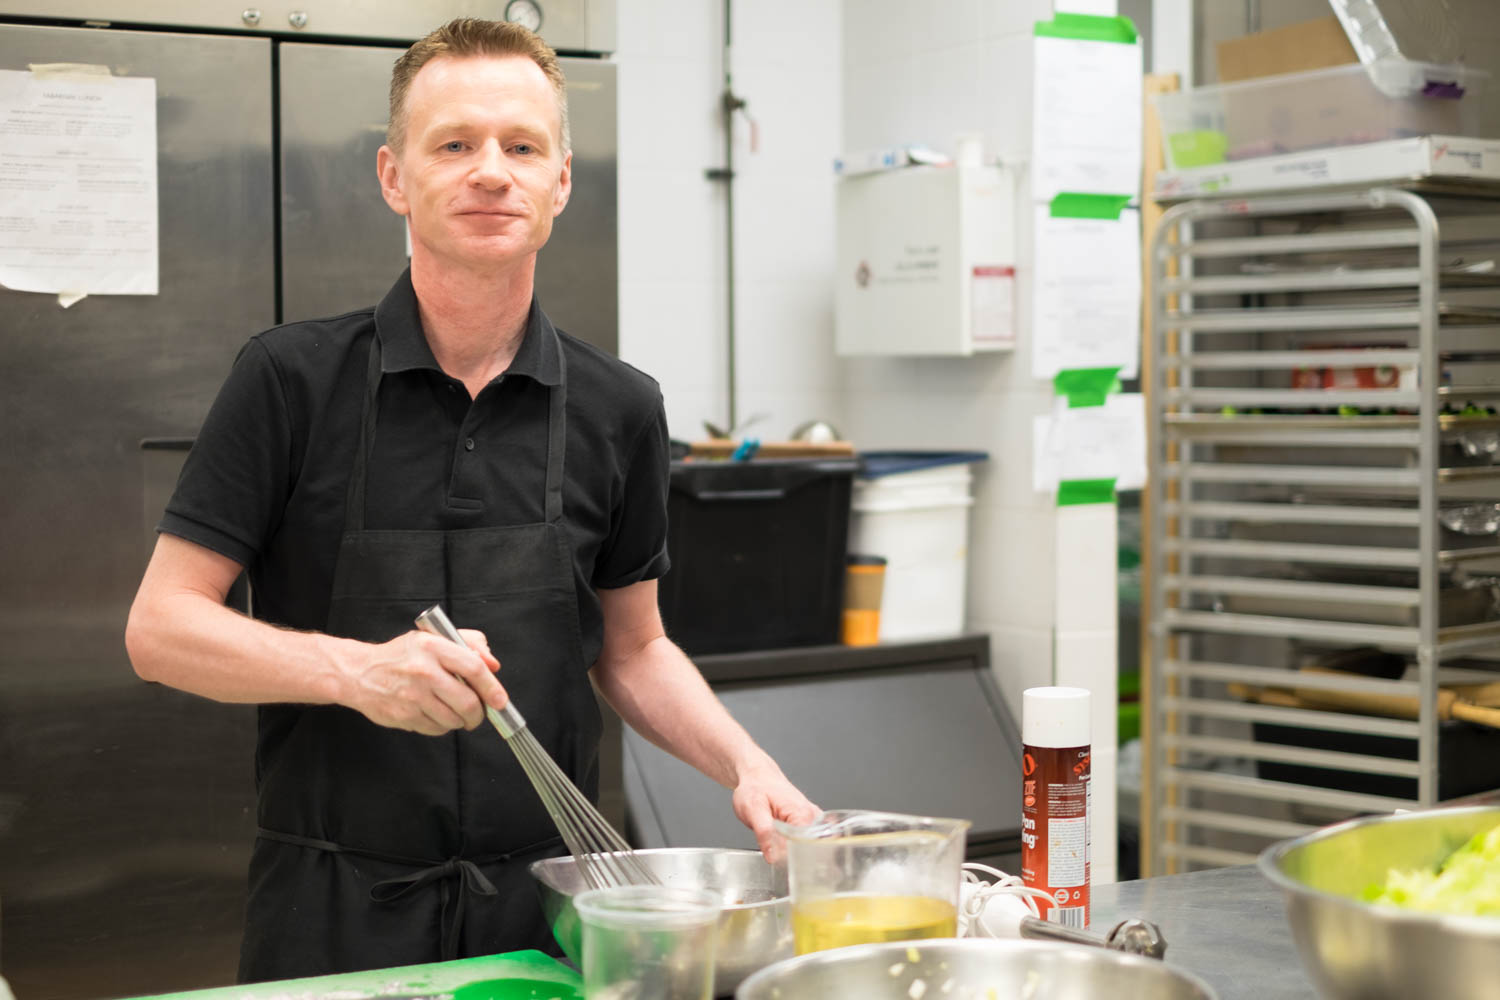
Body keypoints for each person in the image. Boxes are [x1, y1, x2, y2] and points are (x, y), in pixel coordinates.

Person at [125, 17, 817, 983]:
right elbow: (160, 628)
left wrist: (750, 767)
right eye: (455, 144)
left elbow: (635, 647)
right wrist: (356, 674)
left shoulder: (621, 406)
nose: (492, 171)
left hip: (555, 916)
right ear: (393, 177)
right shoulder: (288, 380)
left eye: (522, 146)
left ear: (561, 182)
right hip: (329, 918)